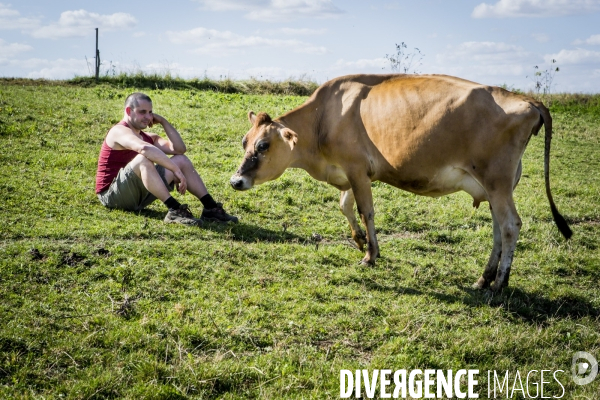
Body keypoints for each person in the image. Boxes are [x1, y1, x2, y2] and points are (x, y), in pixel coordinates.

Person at [95, 92, 238, 226]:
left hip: (136, 196)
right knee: (143, 159)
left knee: (181, 159)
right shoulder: (119, 131)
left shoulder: (148, 137)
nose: (148, 117)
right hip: (112, 196)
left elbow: (179, 149)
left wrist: (163, 121)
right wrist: (174, 170)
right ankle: (174, 210)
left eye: (150, 112)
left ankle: (211, 209)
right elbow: (144, 149)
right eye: (142, 112)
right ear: (128, 111)